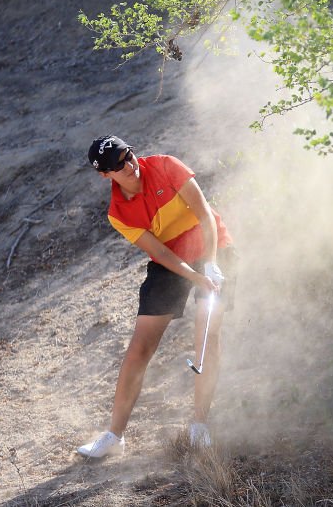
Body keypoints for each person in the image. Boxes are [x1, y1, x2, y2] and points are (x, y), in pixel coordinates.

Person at [77, 135, 234, 458]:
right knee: (140, 346)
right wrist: (194, 277)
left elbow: (205, 215)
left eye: (128, 155)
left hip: (213, 247)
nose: (128, 165)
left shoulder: (166, 165)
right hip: (172, 260)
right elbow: (160, 253)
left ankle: (199, 425)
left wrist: (212, 264)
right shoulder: (118, 213)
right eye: (117, 165)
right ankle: (114, 436)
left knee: (206, 333)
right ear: (104, 175)